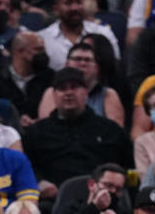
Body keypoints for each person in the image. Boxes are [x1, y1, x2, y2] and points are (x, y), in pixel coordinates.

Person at [22, 67, 132, 201]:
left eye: (74, 87)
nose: (68, 93)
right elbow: (24, 167)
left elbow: (128, 166)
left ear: (86, 93)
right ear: (54, 95)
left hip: (104, 200)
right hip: (52, 203)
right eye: (62, 88)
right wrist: (39, 182)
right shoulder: (36, 132)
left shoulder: (110, 130)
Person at [37, 42, 125, 128]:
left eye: (88, 60)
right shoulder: (52, 92)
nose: (83, 63)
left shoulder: (108, 94)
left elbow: (115, 131)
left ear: (96, 68)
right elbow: (46, 129)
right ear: (67, 64)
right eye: (77, 59)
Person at [41, 0, 120, 71]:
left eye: (79, 2)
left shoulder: (103, 32)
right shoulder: (43, 39)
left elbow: (114, 67)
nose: (75, 8)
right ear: (56, 9)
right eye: (68, 3)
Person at [0, 31, 51, 122]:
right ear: (19, 51)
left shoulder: (50, 76)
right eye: (38, 49)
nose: (43, 54)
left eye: (43, 50)